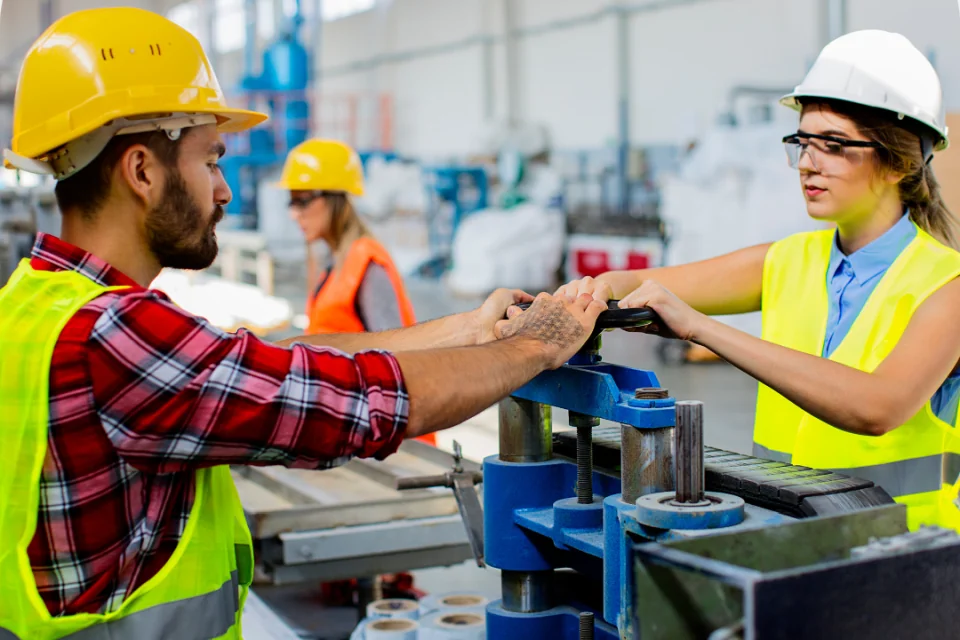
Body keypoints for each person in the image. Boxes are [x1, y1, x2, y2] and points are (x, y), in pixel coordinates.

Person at [0, 8, 605, 638]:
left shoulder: (33, 305)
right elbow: (355, 400)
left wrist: (468, 332)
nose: (224, 190)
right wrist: (536, 345)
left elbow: (266, 356)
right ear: (142, 171)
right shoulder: (115, 335)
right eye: (211, 160)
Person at [555, 30, 960, 531]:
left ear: (899, 161)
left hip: (907, 560)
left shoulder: (948, 284)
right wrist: (591, 291)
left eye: (832, 145)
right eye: (802, 143)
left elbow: (877, 407)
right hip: (789, 541)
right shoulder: (785, 261)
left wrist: (700, 328)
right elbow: (630, 281)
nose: (807, 164)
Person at [277, 138, 439, 446]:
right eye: (291, 201)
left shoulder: (366, 263)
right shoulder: (334, 260)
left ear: (337, 199)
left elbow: (399, 356)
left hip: (393, 441)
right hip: (351, 427)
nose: (294, 213)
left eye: (303, 200)